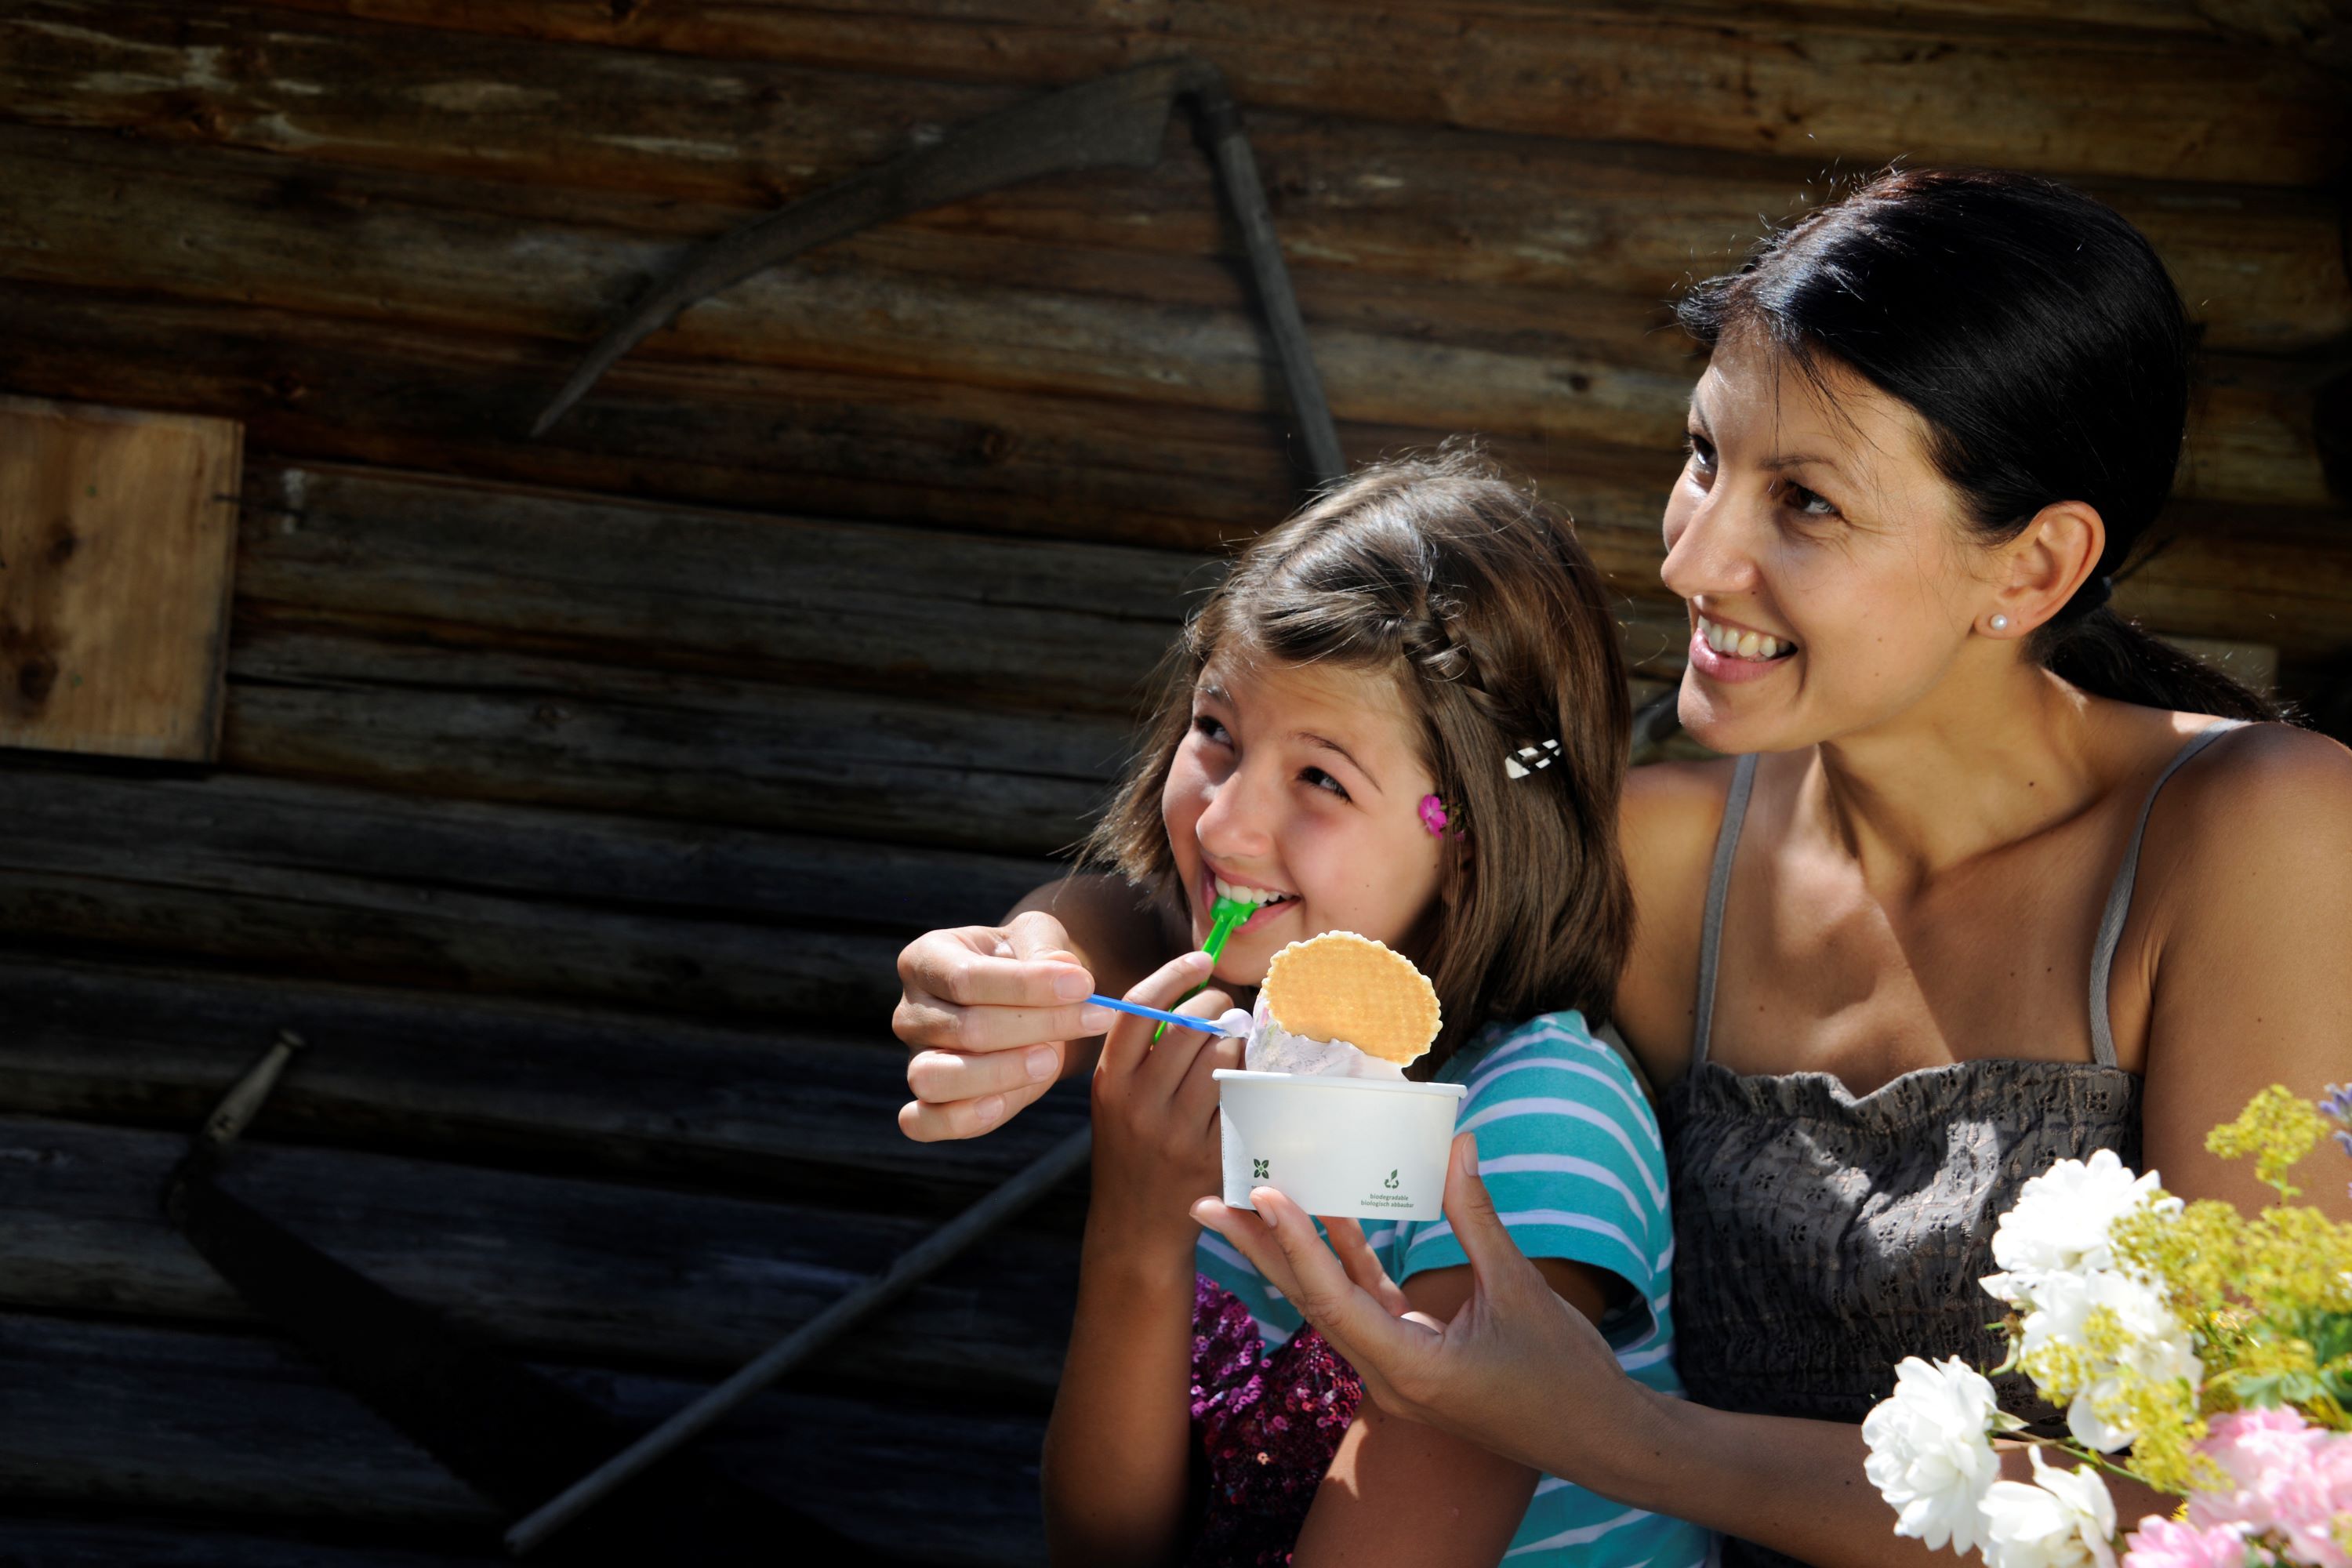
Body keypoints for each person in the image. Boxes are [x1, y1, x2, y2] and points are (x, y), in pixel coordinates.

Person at [894, 169, 2352, 1565]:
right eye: (1707, 456)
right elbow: (1264, 896)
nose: (1695, 559)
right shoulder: (1666, 858)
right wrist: (1036, 967)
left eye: (1807, 504)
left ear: (2031, 570)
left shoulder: (2256, 833)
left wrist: (1618, 1436)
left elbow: (2243, 1494)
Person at [1033, 455, 1711, 1566]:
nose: (1224, 826)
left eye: (1322, 780)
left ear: (1474, 841)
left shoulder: (1538, 1125)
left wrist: (1150, 1211)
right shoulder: (1235, 1028)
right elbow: (1099, 1547)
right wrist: (1139, 1224)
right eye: (1216, 730)